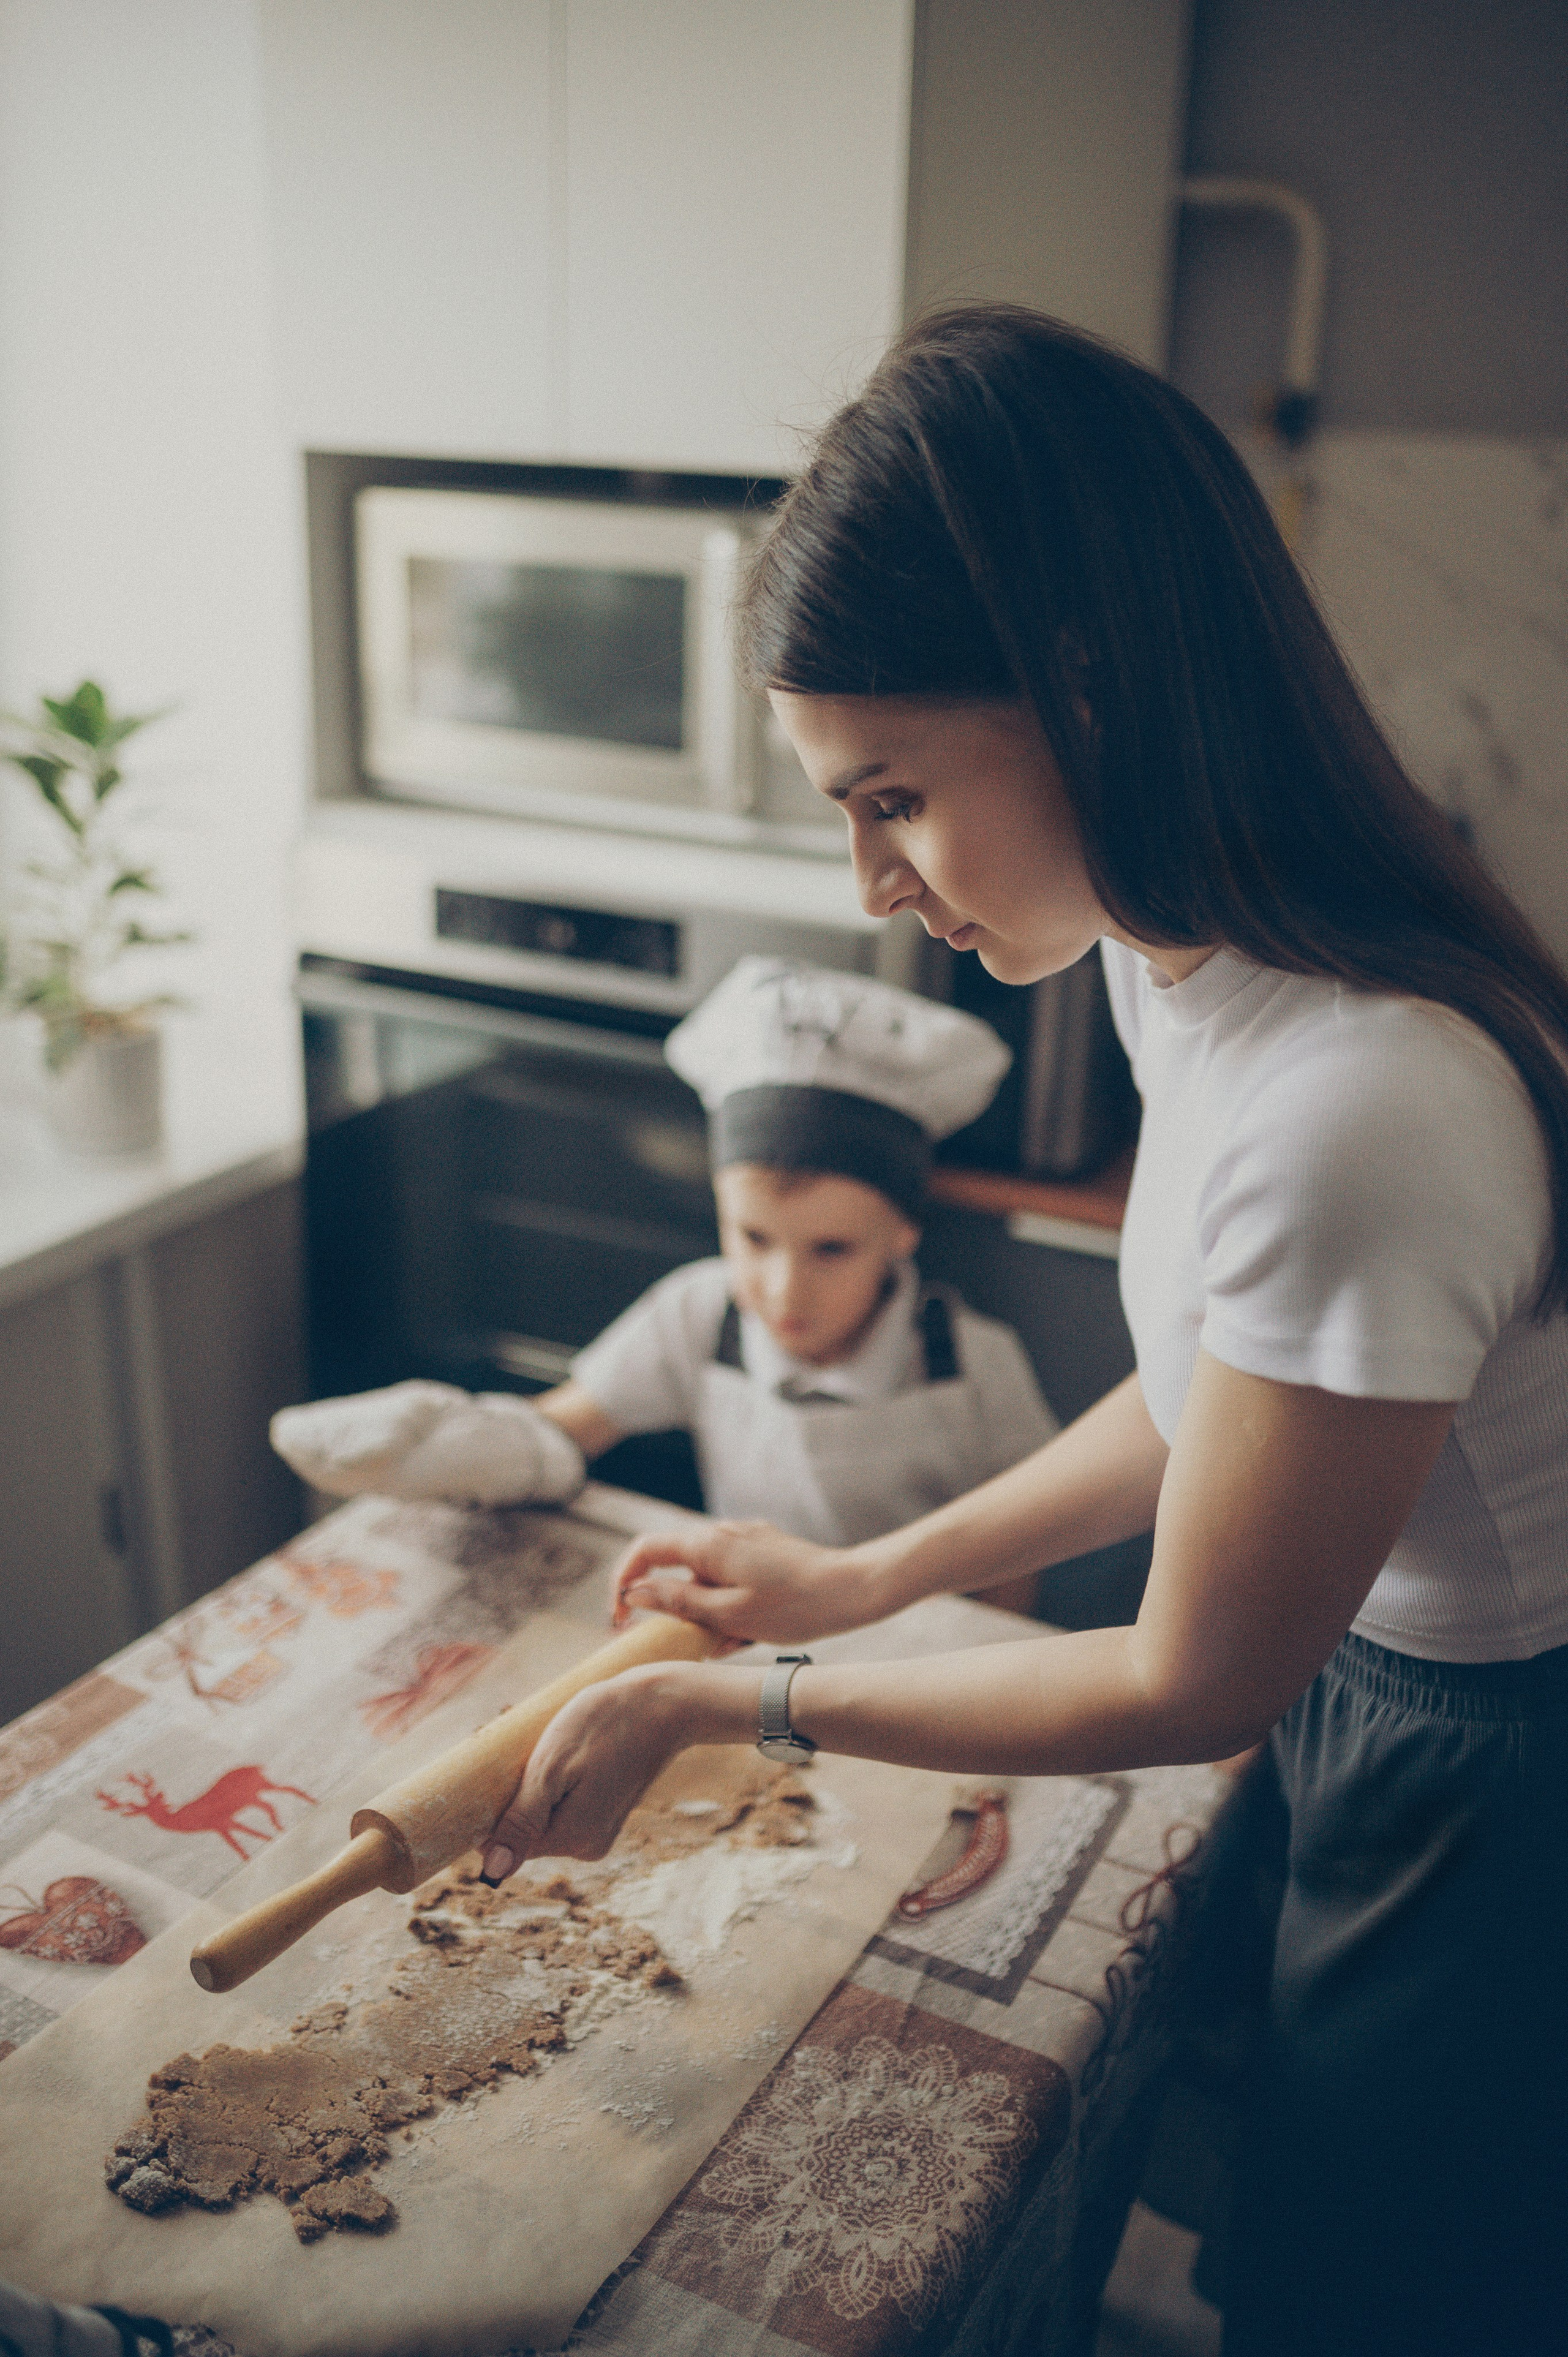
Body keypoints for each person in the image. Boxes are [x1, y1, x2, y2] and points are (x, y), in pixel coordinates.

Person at [470, 307, 1568, 2357]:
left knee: (1393, 2280)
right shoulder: (1178, 955)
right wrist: (874, 1566)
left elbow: (1189, 1670)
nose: (874, 881)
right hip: (1386, 1686)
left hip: (1507, 1770)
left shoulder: (1369, 1103)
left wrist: (744, 1698)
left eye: (890, 795)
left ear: (1090, 685)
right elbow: (1220, 1379)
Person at [273, 959, 1058, 1567]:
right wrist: (443, 1444)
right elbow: (562, 1428)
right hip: (751, 1638)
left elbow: (1022, 1538)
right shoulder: (699, 1311)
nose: (784, 1291)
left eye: (831, 1248)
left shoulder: (976, 1366)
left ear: (903, 1232)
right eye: (752, 1237)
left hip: (916, 1662)